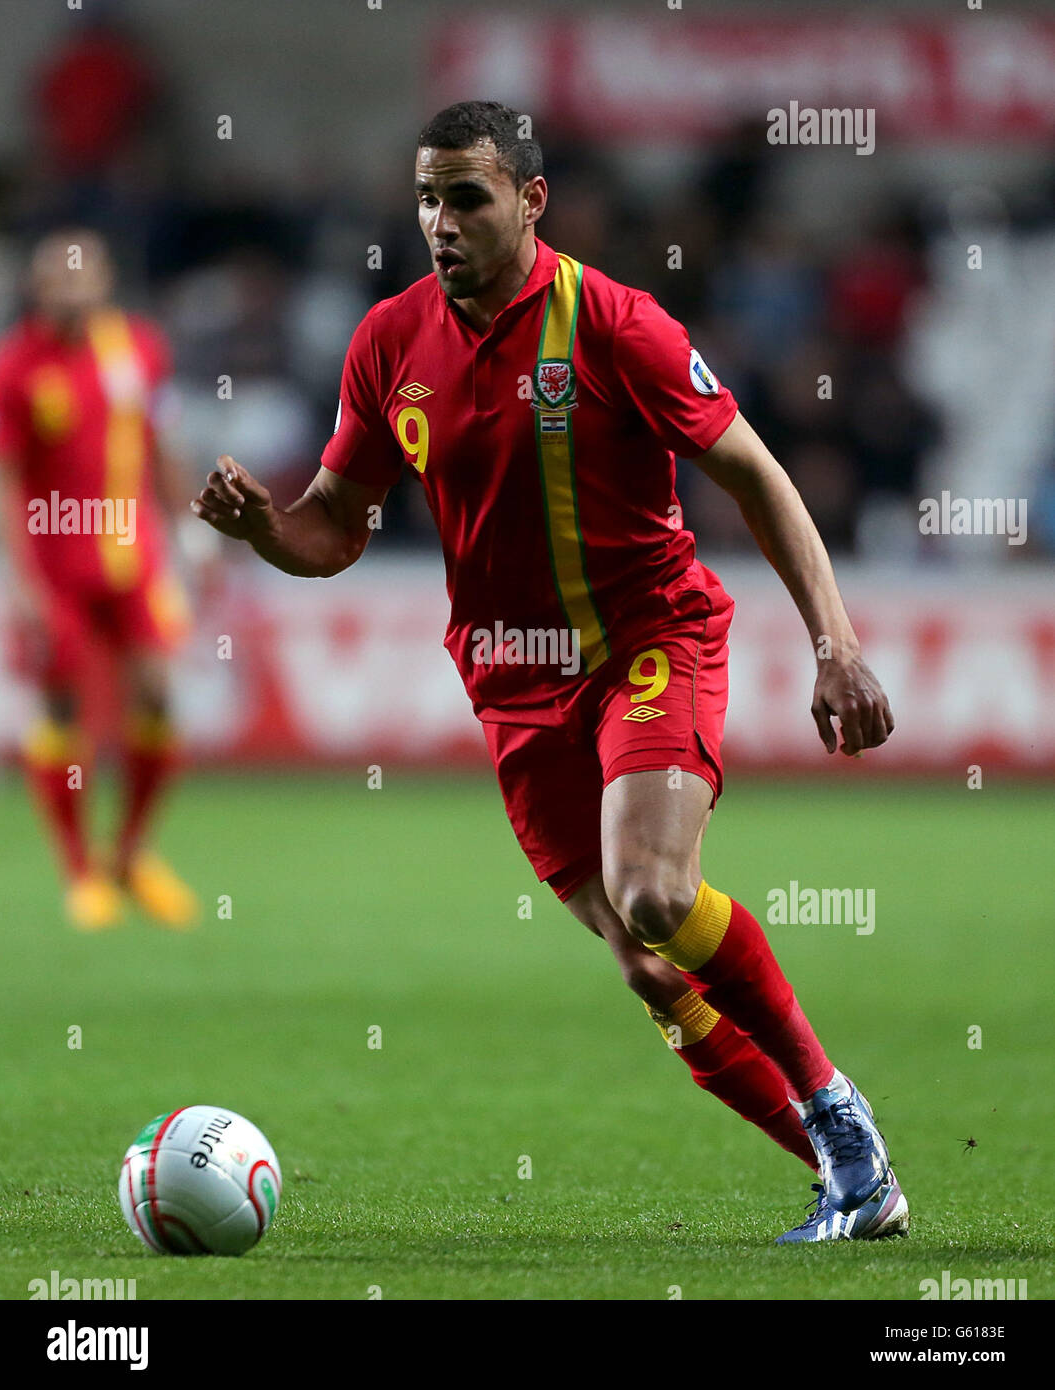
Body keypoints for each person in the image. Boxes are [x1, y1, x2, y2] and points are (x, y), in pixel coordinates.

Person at [191, 102, 907, 1243]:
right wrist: (260, 530)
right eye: (425, 198)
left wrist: (836, 646)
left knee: (656, 894)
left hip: (647, 641)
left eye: (465, 197)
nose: (439, 221)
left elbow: (757, 475)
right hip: (510, 682)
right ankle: (854, 1181)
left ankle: (834, 1106)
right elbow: (334, 526)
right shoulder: (388, 342)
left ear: (529, 201)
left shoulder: (615, 325)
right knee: (648, 970)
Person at [0, 229, 200, 931]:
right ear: (37, 286)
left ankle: (131, 853)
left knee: (159, 697)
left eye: (83, 276)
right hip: (56, 571)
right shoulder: (16, 367)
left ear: (106, 280)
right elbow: (6, 480)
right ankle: (79, 871)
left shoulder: (136, 349)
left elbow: (161, 442)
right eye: (57, 278)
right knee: (63, 714)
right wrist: (20, 582)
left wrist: (191, 534)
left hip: (132, 560)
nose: (71, 290)